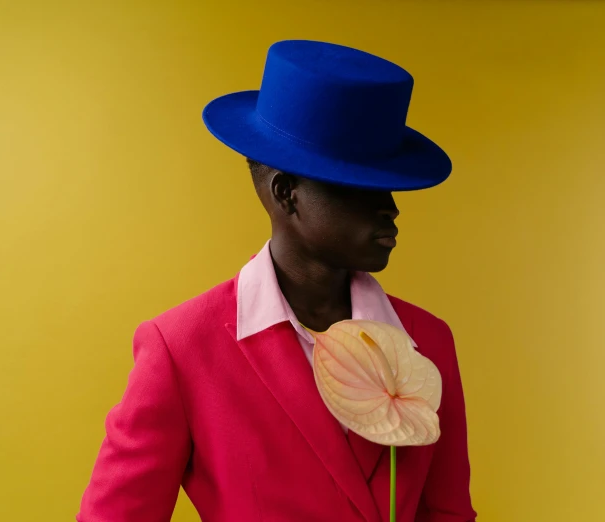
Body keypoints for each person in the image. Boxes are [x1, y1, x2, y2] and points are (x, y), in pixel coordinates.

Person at [77, 40, 476, 522]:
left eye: (390, 186)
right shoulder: (181, 350)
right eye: (362, 188)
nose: (391, 208)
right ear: (288, 194)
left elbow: (448, 512)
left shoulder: (429, 341)